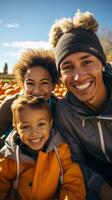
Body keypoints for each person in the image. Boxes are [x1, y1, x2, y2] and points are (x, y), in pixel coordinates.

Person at [49, 10, 112, 200]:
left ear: (102, 63)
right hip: (98, 176)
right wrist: (104, 190)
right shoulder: (64, 112)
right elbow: (75, 161)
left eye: (87, 62)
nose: (78, 76)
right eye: (67, 67)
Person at [0, 95, 85, 200]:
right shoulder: (8, 158)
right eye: (26, 127)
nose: (34, 133)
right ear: (16, 129)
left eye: (41, 124)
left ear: (50, 124)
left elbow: (73, 183)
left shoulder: (61, 151)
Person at [0, 48, 59, 141]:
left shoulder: (58, 108)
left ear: (53, 85)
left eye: (44, 83)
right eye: (30, 83)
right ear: (22, 84)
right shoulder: (9, 105)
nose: (36, 91)